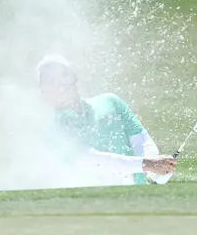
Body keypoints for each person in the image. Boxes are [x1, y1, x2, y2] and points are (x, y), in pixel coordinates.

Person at [36, 54, 177, 185]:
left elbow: (141, 139)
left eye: (62, 73)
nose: (58, 81)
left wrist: (157, 169)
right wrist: (149, 165)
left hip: (138, 200)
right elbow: (89, 161)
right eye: (49, 79)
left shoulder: (110, 101)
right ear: (43, 91)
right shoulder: (52, 131)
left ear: (74, 77)